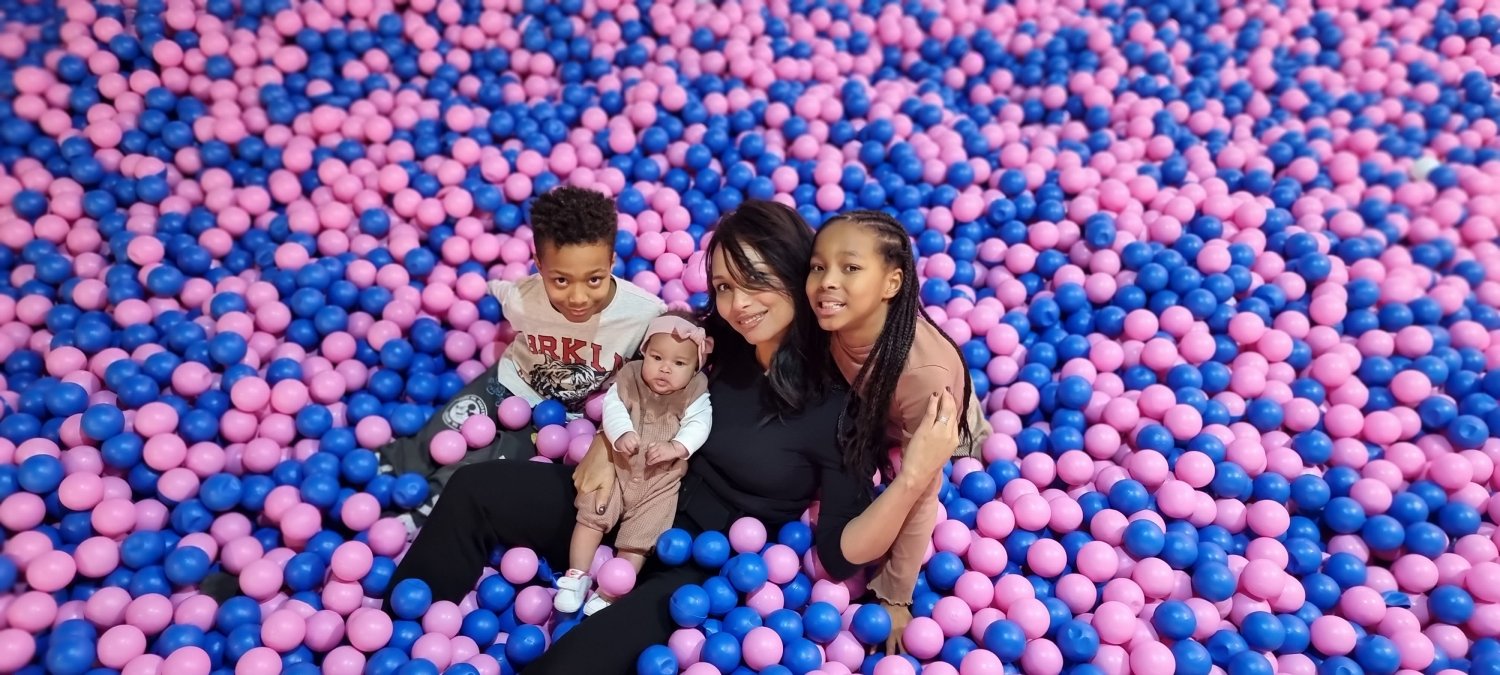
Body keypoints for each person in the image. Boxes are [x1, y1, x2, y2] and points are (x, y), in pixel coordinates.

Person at [384, 200, 960, 674]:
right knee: (474, 490)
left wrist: (913, 477)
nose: (738, 305)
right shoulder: (713, 343)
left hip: (696, 567)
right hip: (630, 498)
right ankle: (389, 640)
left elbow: (837, 553)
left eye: (756, 282)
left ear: (796, 274)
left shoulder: (838, 403)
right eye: (724, 287)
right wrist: (606, 443)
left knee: (567, 665)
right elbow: (640, 376)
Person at [376, 186, 666, 533]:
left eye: (594, 279)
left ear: (612, 263)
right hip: (507, 381)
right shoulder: (524, 297)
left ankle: (429, 509)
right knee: (450, 422)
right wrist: (483, 286)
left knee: (488, 465)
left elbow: (670, 341)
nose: (578, 297)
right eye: (560, 280)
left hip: (559, 418)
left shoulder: (643, 314)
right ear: (539, 265)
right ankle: (392, 464)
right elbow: (501, 291)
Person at [808, 209, 990, 653]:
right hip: (878, 415)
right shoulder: (832, 320)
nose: (827, 281)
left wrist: (895, 594)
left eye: (851, 268)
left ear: (892, 283)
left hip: (942, 430)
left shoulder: (922, 374)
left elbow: (923, 485)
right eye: (818, 267)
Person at [556, 312, 714, 616]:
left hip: (659, 483)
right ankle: (576, 575)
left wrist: (676, 447)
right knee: (590, 517)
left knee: (639, 540)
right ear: (644, 352)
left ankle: (611, 593)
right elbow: (613, 406)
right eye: (657, 357)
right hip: (619, 470)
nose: (665, 368)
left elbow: (699, 423)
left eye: (679, 363)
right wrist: (622, 434)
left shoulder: (695, 391)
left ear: (695, 368)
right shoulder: (630, 377)